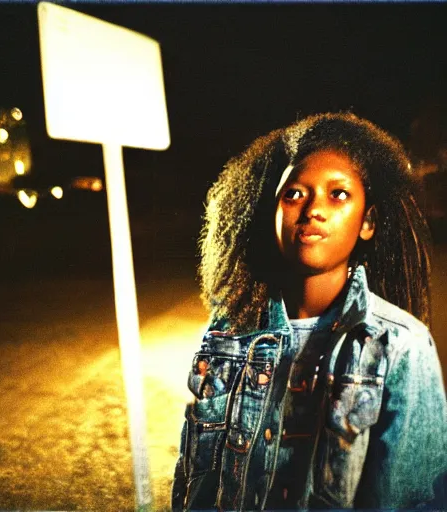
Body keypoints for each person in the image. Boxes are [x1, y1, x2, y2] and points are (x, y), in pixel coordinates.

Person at [172, 112, 447, 510]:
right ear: (274, 214)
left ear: (367, 221)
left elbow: (412, 500)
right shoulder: (229, 334)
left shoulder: (401, 345)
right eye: (294, 194)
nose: (312, 208)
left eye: (338, 194)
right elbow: (193, 483)